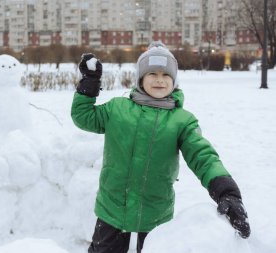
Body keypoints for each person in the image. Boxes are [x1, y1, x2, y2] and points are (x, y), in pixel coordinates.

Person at [71, 41, 251, 253]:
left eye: (166, 75)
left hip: (155, 212)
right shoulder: (117, 109)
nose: (159, 80)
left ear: (174, 81)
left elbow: (203, 156)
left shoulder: (182, 121)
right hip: (112, 208)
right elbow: (83, 117)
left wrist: (226, 191)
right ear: (141, 78)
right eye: (152, 74)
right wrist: (89, 84)